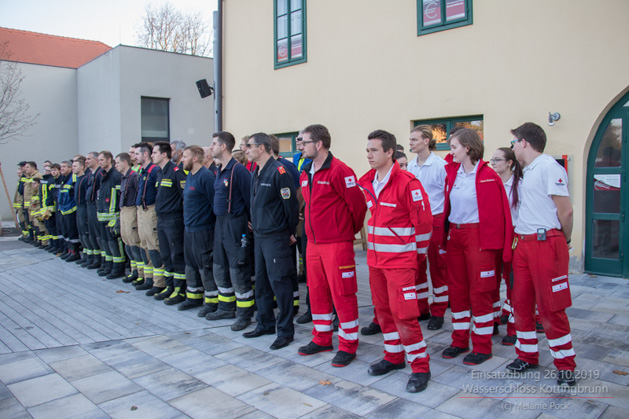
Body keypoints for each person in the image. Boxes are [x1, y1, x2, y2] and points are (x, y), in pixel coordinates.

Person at [358, 129, 433, 393]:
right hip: (376, 262)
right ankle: (393, 356)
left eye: (374, 150)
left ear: (389, 152)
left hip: (400, 263)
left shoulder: (407, 183)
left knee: (405, 315)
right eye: (367, 150)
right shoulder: (368, 181)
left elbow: (424, 224)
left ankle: (420, 365)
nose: (369, 155)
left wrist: (416, 257)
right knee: (384, 312)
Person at [507, 122, 577, 387]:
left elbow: (566, 211)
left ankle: (565, 364)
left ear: (524, 142)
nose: (512, 146)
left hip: (545, 243)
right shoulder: (527, 170)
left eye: (514, 141)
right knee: (521, 304)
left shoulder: (549, 167)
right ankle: (527, 355)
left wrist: (564, 239)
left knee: (551, 307)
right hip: (522, 244)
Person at [440, 128, 513, 365]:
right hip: (456, 235)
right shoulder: (452, 173)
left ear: (468, 148)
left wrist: (500, 250)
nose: (451, 151)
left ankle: (482, 346)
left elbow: (500, 216)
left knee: (480, 291)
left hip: (479, 237)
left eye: (454, 147)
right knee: (457, 290)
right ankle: (459, 340)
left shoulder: (489, 176)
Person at [297, 124, 367, 367]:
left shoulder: (340, 171)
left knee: (343, 294)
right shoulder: (305, 172)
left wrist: (346, 232)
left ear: (318, 144)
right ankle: (322, 338)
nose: (299, 145)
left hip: (337, 244)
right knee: (316, 292)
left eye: (303, 141)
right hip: (313, 244)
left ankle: (348, 345)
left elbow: (358, 207)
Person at [243, 133, 299, 350]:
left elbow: (290, 205)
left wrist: (289, 231)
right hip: (260, 235)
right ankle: (265, 323)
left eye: (250, 146)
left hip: (276, 236)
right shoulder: (256, 171)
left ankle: (285, 330)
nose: (247, 149)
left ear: (263, 148)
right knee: (262, 283)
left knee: (280, 283)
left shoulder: (279, 171)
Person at [207, 131, 254, 331]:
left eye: (214, 144)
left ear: (223, 146)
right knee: (219, 266)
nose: (211, 147)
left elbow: (251, 198)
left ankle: (245, 314)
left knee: (238, 270)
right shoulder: (219, 170)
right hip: (220, 224)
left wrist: (249, 222)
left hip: (236, 224)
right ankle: (226, 307)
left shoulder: (239, 171)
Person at [407, 125, 449, 331]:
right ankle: (422, 308)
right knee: (418, 266)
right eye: (410, 140)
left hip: (436, 220)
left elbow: (447, 195)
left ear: (426, 141)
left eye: (414, 139)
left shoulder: (440, 166)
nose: (410, 143)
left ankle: (439, 310)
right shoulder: (411, 167)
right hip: (417, 223)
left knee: (438, 268)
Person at [490, 147, 522, 346]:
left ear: (510, 163)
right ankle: (492, 318)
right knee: (491, 282)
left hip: (514, 237)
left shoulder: (519, 185)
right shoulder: (490, 183)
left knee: (513, 284)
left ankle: (514, 326)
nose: (493, 163)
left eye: (498, 159)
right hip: (494, 236)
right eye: (492, 159)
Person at [181, 146, 219, 318]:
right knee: (190, 264)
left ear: (195, 158)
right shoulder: (190, 175)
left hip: (203, 230)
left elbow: (215, 204)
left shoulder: (206, 177)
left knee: (205, 266)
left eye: (185, 156)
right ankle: (194, 296)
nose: (182, 159)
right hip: (189, 229)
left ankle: (211, 302)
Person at [152, 142, 188, 306]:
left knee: (177, 255)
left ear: (164, 154)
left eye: (154, 152)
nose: (152, 155)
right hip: (162, 219)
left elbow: (184, 197)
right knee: (166, 255)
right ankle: (170, 286)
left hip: (174, 220)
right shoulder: (160, 173)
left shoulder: (176, 172)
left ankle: (180, 290)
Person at [134, 142, 163, 294]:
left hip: (150, 211)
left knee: (154, 247)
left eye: (137, 154)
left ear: (146, 154)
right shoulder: (142, 171)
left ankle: (159, 283)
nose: (135, 157)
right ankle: (149, 279)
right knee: (144, 246)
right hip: (141, 211)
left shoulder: (154, 170)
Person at [96, 151, 125, 279]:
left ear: (109, 160)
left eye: (101, 160)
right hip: (103, 214)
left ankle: (118, 268)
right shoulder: (103, 175)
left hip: (113, 216)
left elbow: (120, 196)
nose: (99, 162)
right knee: (106, 242)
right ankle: (109, 265)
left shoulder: (116, 175)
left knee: (114, 243)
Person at [115, 153, 143, 284]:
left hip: (132, 211)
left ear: (125, 162)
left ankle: (141, 274)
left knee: (134, 243)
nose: (116, 165)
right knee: (127, 243)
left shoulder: (134, 177)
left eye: (117, 163)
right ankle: (134, 271)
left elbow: (139, 194)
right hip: (124, 211)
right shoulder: (124, 177)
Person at [57, 160, 80, 261]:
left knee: (72, 233)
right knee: (66, 233)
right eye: (61, 167)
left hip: (71, 210)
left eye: (64, 167)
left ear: (70, 168)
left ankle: (75, 253)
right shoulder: (64, 179)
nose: (62, 168)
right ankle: (69, 251)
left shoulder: (72, 178)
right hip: (63, 210)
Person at [85, 152, 103, 269]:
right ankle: (96, 259)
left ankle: (102, 261)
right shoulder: (91, 174)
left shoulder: (100, 173)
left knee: (99, 235)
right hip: (89, 206)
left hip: (96, 207)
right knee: (92, 234)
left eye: (89, 159)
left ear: (96, 160)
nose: (86, 161)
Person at [71, 156, 89, 263]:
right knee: (81, 233)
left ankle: (90, 257)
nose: (73, 168)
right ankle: (85, 255)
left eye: (75, 166)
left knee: (85, 233)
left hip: (84, 208)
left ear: (82, 167)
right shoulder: (77, 180)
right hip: (79, 208)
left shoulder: (85, 179)